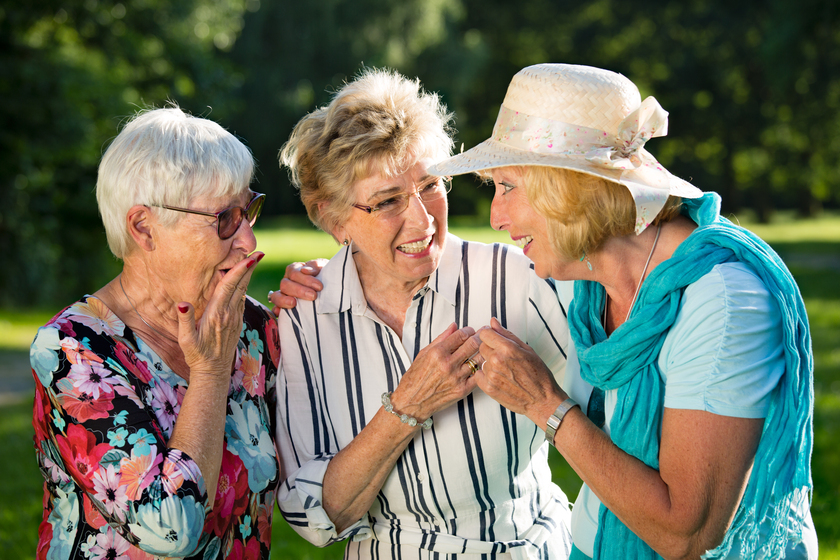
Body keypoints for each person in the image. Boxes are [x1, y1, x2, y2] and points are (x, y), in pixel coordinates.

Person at [426, 63, 817, 559]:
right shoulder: (585, 285)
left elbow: (686, 535)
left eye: (507, 187)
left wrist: (545, 406)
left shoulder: (722, 302)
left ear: (566, 188)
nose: (495, 218)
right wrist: (321, 285)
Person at [270, 68, 592, 559]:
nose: (422, 220)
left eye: (431, 186)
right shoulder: (304, 316)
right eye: (387, 201)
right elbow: (314, 516)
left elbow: (623, 415)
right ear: (334, 219)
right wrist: (406, 408)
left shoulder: (520, 277)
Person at [30, 107, 281, 560]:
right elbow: (169, 529)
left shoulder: (254, 328)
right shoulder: (73, 349)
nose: (247, 242)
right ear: (144, 228)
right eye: (225, 218)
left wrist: (334, 282)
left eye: (250, 212)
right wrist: (210, 371)